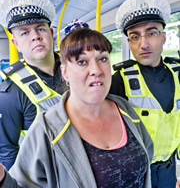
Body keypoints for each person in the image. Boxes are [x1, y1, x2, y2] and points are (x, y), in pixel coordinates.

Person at [0, 28, 153, 187]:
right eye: (82, 61)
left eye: (102, 59)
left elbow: (146, 154)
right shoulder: (46, 129)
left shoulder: (124, 109)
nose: (96, 70)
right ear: (64, 72)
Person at [109, 0, 180, 188]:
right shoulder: (118, 81)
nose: (144, 44)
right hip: (136, 175)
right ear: (129, 43)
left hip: (170, 171)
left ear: (164, 37)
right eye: (135, 37)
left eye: (152, 32)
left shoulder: (178, 74)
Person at [0, 0, 67, 170]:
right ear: (16, 44)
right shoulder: (11, 92)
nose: (35, 36)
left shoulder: (77, 68)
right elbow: (7, 152)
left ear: (51, 33)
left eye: (40, 29)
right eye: (24, 33)